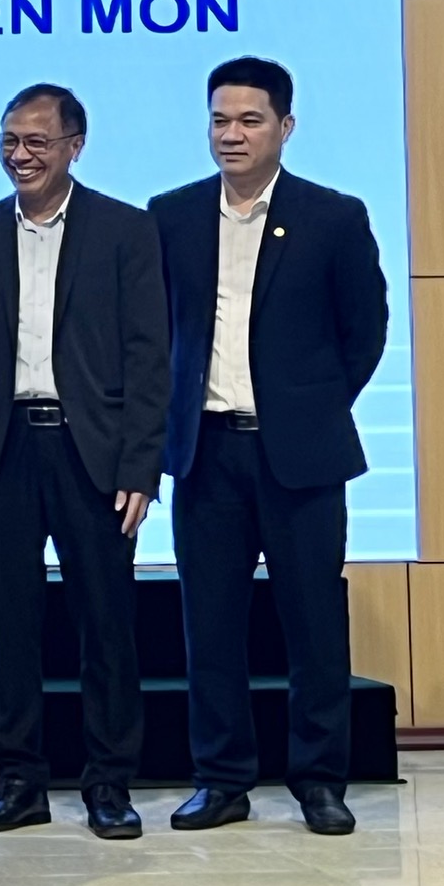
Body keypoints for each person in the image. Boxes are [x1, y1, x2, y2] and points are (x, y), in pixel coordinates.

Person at [151, 58, 387, 838]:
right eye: (220, 120)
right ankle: (221, 780)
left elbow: (364, 331)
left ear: (285, 127)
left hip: (301, 457)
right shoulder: (173, 215)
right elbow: (155, 332)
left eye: (250, 120)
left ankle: (319, 780)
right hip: (207, 452)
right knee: (210, 625)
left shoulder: (333, 217)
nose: (232, 134)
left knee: (312, 624)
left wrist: (310, 406)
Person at [0, 86, 169, 843]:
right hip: (2, 451)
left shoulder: (126, 230)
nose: (21, 155)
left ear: (76, 145)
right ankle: (18, 779)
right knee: (6, 625)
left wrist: (141, 467)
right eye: (9, 140)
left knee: (106, 623)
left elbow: (150, 355)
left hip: (95, 454)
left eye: (37, 142)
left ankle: (109, 782)